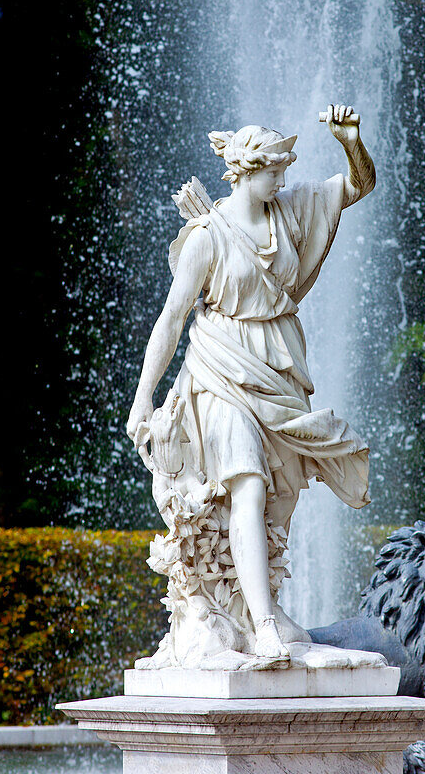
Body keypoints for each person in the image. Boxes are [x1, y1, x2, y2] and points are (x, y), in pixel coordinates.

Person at [127, 104, 376, 662]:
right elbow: (170, 320)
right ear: (244, 169)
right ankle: (262, 625)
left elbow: (360, 185)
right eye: (274, 170)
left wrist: (350, 142)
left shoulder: (288, 213)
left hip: (280, 367)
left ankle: (250, 606)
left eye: (286, 169)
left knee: (278, 499)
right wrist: (144, 397)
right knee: (247, 482)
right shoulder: (206, 237)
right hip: (219, 371)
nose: (284, 178)